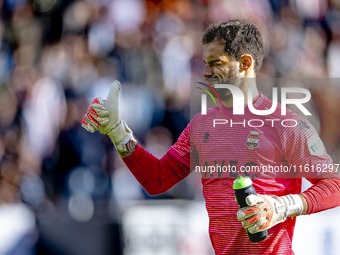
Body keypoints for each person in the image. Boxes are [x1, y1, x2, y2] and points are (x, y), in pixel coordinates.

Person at [81, 20, 340, 254]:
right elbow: (158, 179)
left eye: (216, 63)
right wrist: (117, 132)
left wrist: (281, 207)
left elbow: (334, 186)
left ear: (245, 64)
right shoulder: (202, 125)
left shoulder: (287, 124)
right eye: (204, 62)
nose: (205, 72)